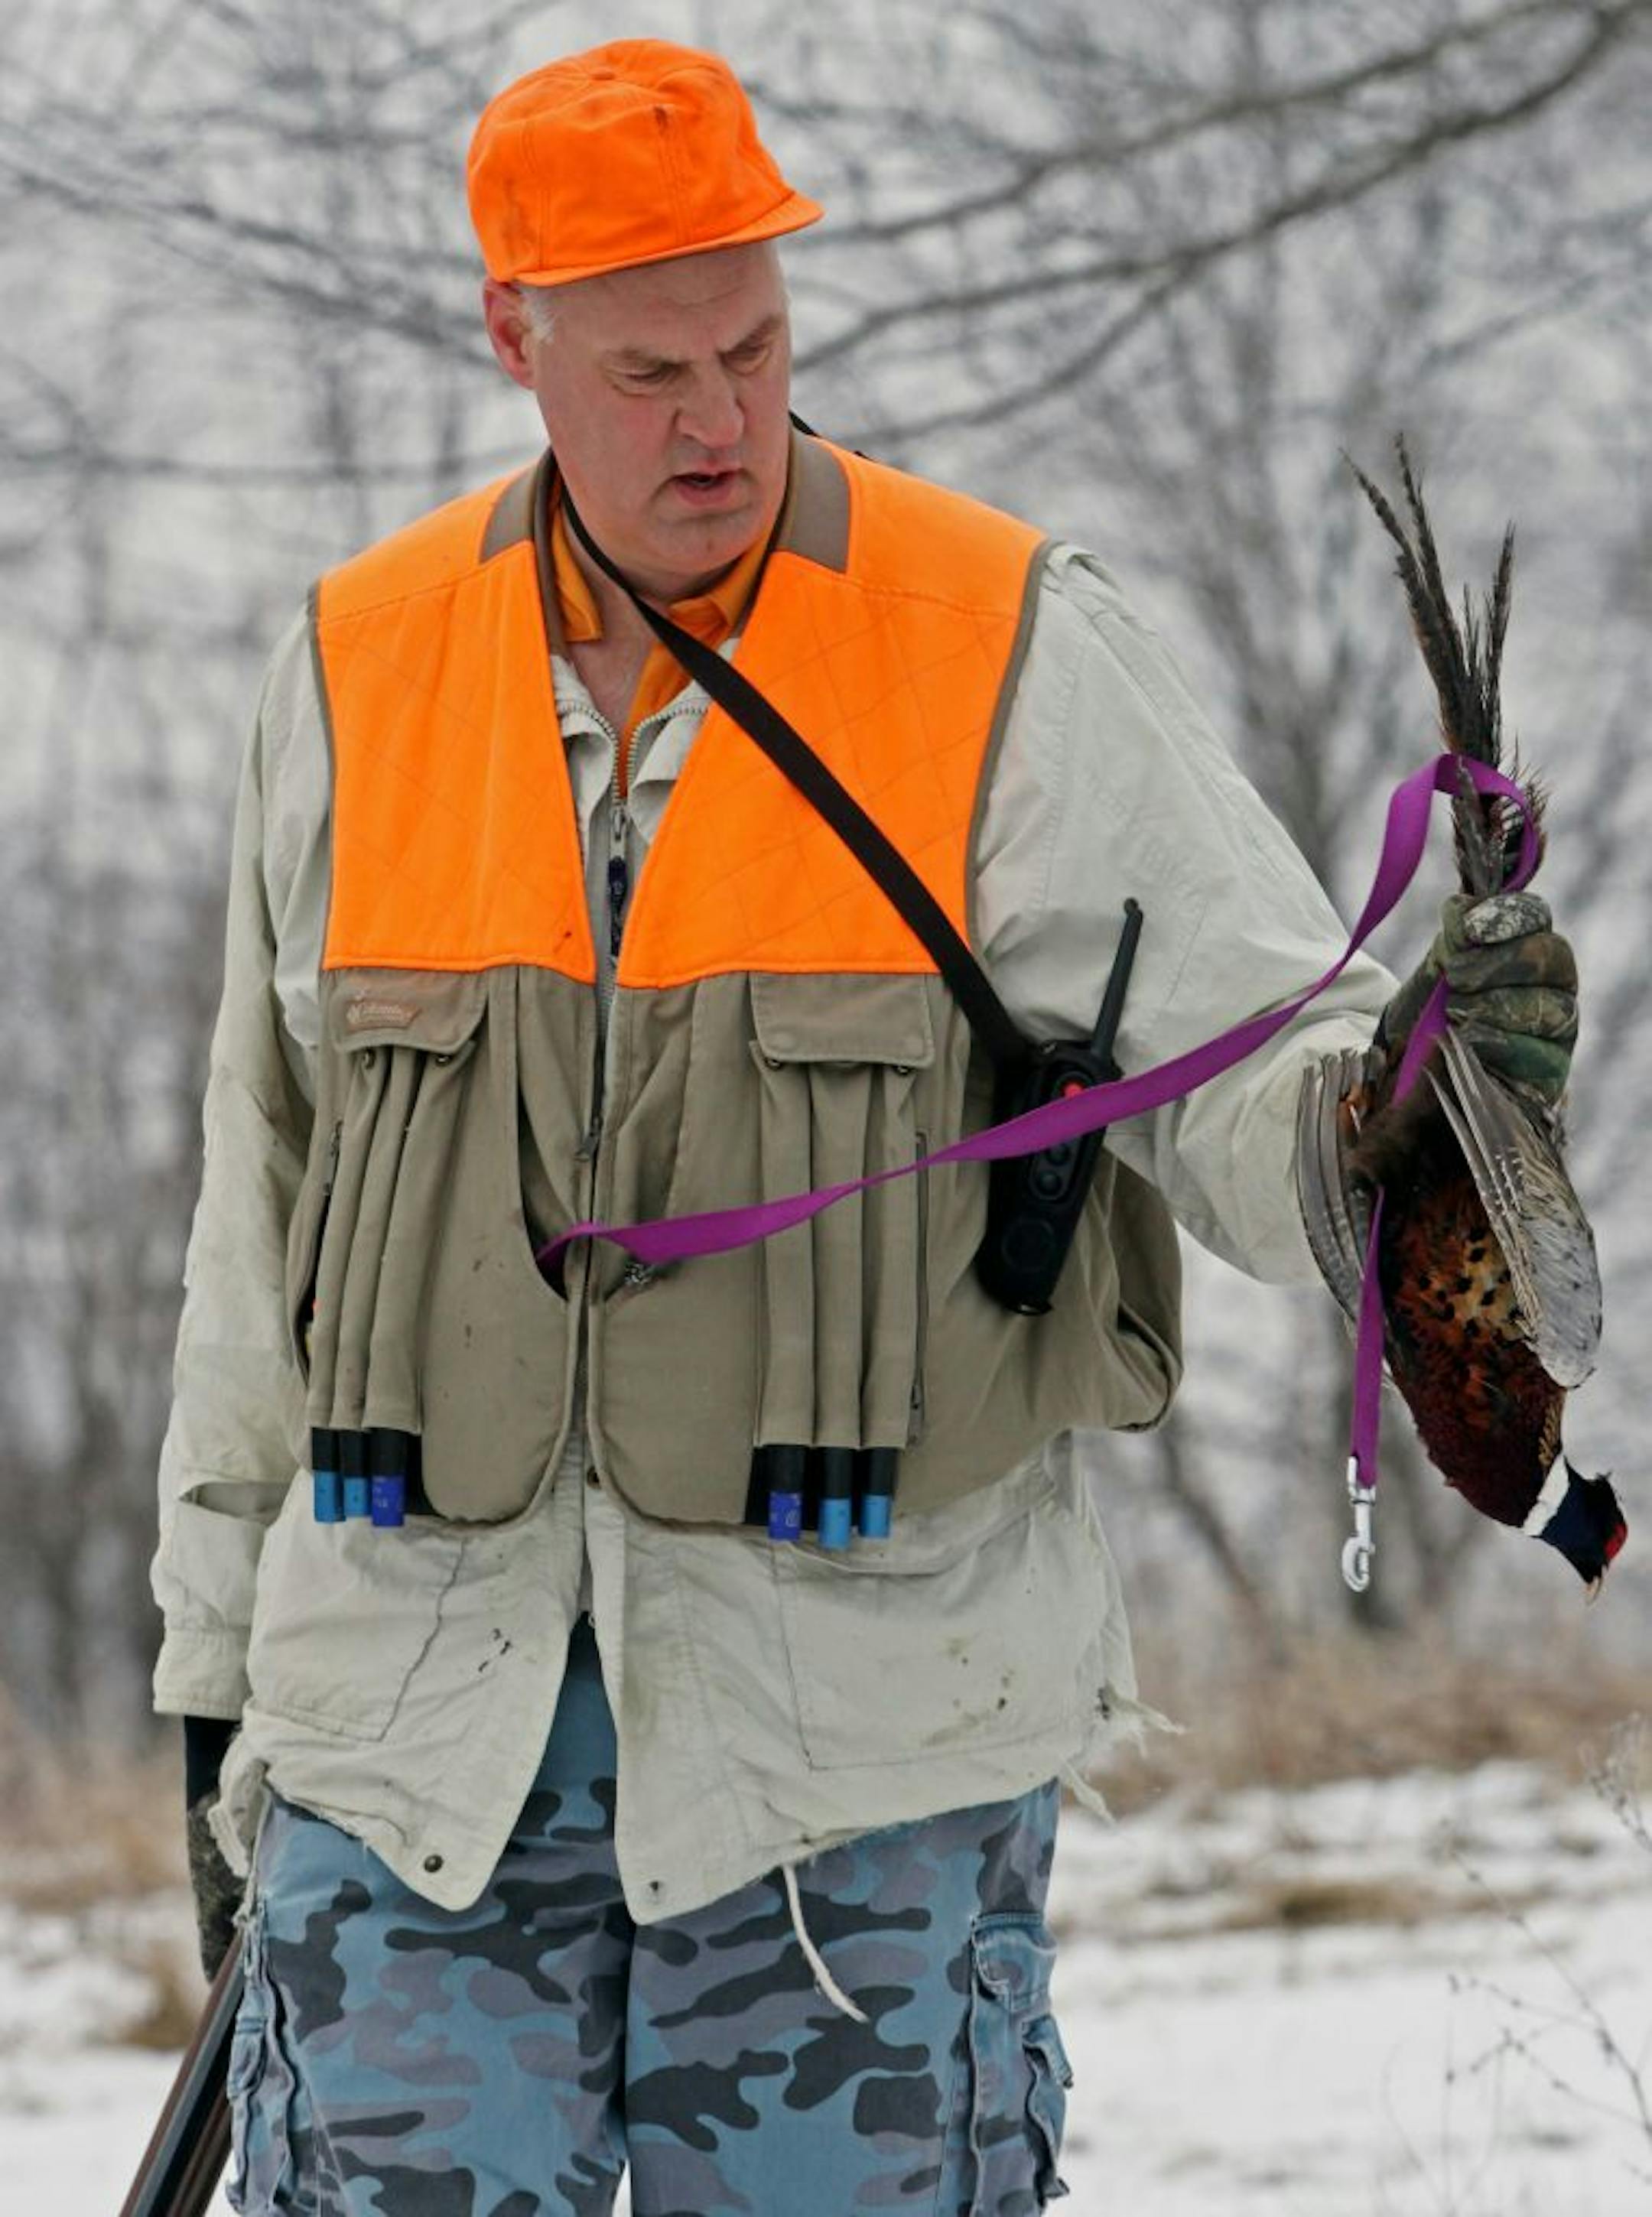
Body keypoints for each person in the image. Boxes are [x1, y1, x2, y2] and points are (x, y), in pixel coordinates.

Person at [152, 37, 1579, 2217]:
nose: (715, 417)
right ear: (510, 338)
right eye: (646, 369)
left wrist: (1427, 1105)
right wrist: (204, 1691)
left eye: (753, 345)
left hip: (858, 1762)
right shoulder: (358, 667)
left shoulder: (999, 645)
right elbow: (260, 1242)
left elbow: (1260, 1070)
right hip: (412, 1748)